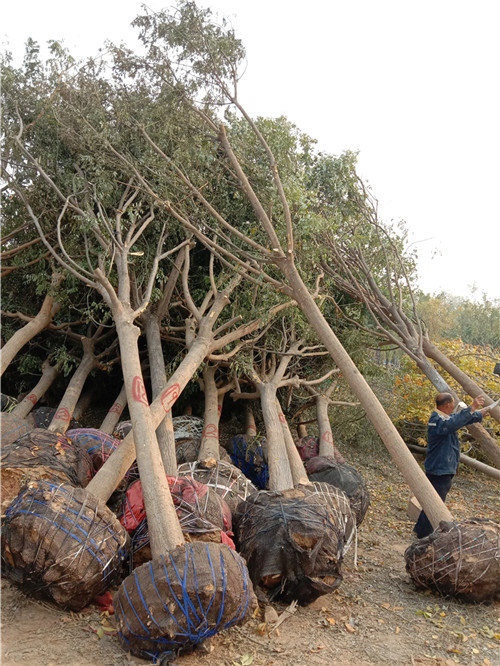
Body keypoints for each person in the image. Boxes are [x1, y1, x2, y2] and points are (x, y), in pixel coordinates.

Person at [413, 392, 489, 539]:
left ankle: (420, 531)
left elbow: (456, 420)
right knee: (435, 503)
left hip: (440, 468)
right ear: (448, 405)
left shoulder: (443, 417)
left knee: (433, 500)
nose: (454, 406)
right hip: (439, 469)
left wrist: (478, 414)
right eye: (453, 404)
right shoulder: (437, 420)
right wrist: (472, 407)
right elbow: (452, 424)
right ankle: (424, 534)